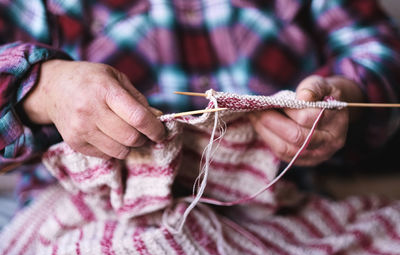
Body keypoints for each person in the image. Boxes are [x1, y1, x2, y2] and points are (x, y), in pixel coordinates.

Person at [0, 0, 399, 204]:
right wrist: (44, 89)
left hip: (283, 200)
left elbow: (375, 46)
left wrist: (347, 95)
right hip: (85, 211)